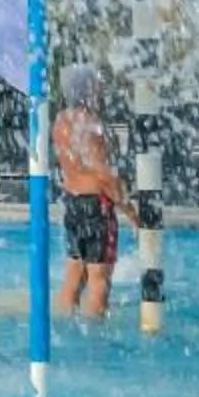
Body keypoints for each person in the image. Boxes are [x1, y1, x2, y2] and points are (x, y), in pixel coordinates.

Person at [55, 62, 132, 319]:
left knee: (74, 273)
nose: (101, 91)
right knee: (100, 278)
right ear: (87, 90)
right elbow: (103, 175)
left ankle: (65, 325)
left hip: (72, 201)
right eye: (97, 86)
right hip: (96, 204)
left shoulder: (60, 122)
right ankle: (96, 341)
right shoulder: (92, 125)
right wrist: (131, 211)